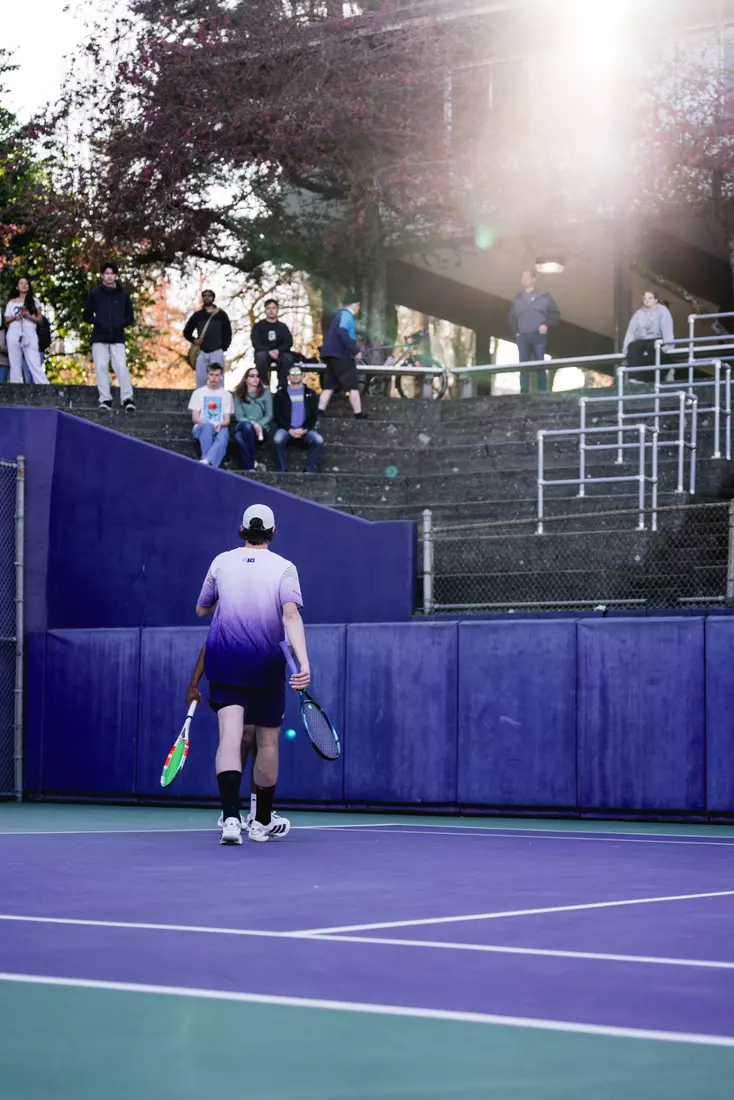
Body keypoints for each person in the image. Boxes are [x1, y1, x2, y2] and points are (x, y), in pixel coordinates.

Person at [194, 502, 311, 845]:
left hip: (225, 660)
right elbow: (291, 616)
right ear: (273, 532)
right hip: (266, 665)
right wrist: (304, 663)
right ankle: (260, 823)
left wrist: (228, 598)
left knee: (230, 736)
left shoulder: (221, 562)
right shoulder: (286, 569)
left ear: (241, 530)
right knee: (267, 741)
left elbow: (202, 608)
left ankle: (231, 819)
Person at [82, 261, 136, 411]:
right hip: (99, 336)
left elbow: (130, 316)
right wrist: (98, 323)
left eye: (112, 273)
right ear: (102, 275)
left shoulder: (123, 295)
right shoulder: (95, 294)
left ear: (116, 275)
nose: (109, 276)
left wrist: (120, 325)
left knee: (121, 367)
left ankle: (127, 399)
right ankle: (105, 400)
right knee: (101, 367)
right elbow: (86, 315)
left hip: (118, 337)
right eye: (106, 273)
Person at [508, 269, 561, 394]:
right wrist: (516, 332)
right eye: (523, 277)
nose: (525, 279)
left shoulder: (544, 296)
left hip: (538, 335)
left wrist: (546, 324)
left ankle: (542, 392)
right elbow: (511, 317)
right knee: (523, 365)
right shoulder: (518, 299)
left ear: (533, 279)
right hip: (523, 336)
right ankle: (524, 393)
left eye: (528, 277)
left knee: (540, 363)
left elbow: (555, 314)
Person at [318, 293, 368, 418]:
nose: (359, 308)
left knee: (329, 386)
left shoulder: (338, 315)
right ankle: (358, 414)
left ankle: (319, 412)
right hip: (342, 356)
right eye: (358, 305)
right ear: (354, 304)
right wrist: (355, 351)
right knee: (353, 386)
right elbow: (343, 332)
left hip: (331, 356)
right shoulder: (347, 315)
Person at [272, 365, 324, 473]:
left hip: (304, 429)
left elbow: (314, 416)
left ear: (302, 376)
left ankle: (309, 470)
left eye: (298, 374)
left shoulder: (310, 393)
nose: (295, 376)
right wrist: (289, 429)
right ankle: (281, 470)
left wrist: (304, 429)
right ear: (288, 377)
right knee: (277, 440)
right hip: (286, 429)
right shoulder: (280, 394)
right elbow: (277, 415)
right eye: (292, 374)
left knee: (319, 440)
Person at [3, 276, 50, 385]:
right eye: (21, 283)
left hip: (29, 331)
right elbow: (6, 320)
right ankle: (16, 385)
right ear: (17, 287)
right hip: (14, 331)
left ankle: (43, 384)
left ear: (28, 287)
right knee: (14, 361)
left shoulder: (34, 301)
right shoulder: (11, 302)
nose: (24, 285)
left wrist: (28, 316)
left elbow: (39, 319)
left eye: (26, 283)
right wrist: (16, 317)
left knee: (34, 359)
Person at [183, 289, 233, 388]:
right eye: (204, 295)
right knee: (200, 380)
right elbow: (186, 332)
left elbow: (228, 333)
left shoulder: (221, 315)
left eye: (209, 295)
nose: (207, 297)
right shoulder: (197, 315)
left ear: (213, 298)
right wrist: (194, 340)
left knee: (218, 381)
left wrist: (223, 348)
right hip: (202, 351)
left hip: (217, 351)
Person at [188, 363, 233, 467]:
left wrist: (220, 425)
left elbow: (227, 420)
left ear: (221, 376)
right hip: (201, 427)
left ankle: (206, 460)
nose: (214, 378)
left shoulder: (227, 395)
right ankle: (210, 460)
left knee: (224, 433)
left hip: (219, 427)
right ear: (207, 375)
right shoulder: (198, 393)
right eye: (211, 374)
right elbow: (195, 418)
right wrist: (210, 424)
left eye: (217, 375)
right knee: (208, 427)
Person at [233, 367, 273, 471]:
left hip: (261, 430)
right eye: (252, 376)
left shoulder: (266, 393)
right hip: (244, 425)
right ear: (246, 379)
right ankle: (252, 461)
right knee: (247, 426)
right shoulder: (238, 394)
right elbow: (239, 416)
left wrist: (258, 424)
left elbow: (269, 415)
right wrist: (253, 423)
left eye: (257, 376)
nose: (255, 378)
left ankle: (249, 467)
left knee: (238, 438)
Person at [623, 291, 675, 370]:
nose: (647, 300)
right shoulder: (638, 313)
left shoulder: (662, 310)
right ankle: (635, 377)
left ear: (656, 300)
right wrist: (626, 348)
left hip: (657, 339)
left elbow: (667, 328)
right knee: (633, 347)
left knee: (652, 347)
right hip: (643, 339)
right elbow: (631, 331)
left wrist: (668, 345)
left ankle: (660, 374)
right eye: (645, 298)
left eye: (650, 298)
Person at [251, 299, 294, 390]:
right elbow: (256, 343)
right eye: (268, 308)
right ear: (265, 310)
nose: (271, 310)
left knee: (287, 358)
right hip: (264, 353)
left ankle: (282, 385)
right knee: (260, 357)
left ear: (277, 310)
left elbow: (288, 342)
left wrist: (278, 350)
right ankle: (264, 385)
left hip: (280, 353)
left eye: (274, 308)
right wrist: (268, 351)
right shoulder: (258, 326)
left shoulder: (283, 327)